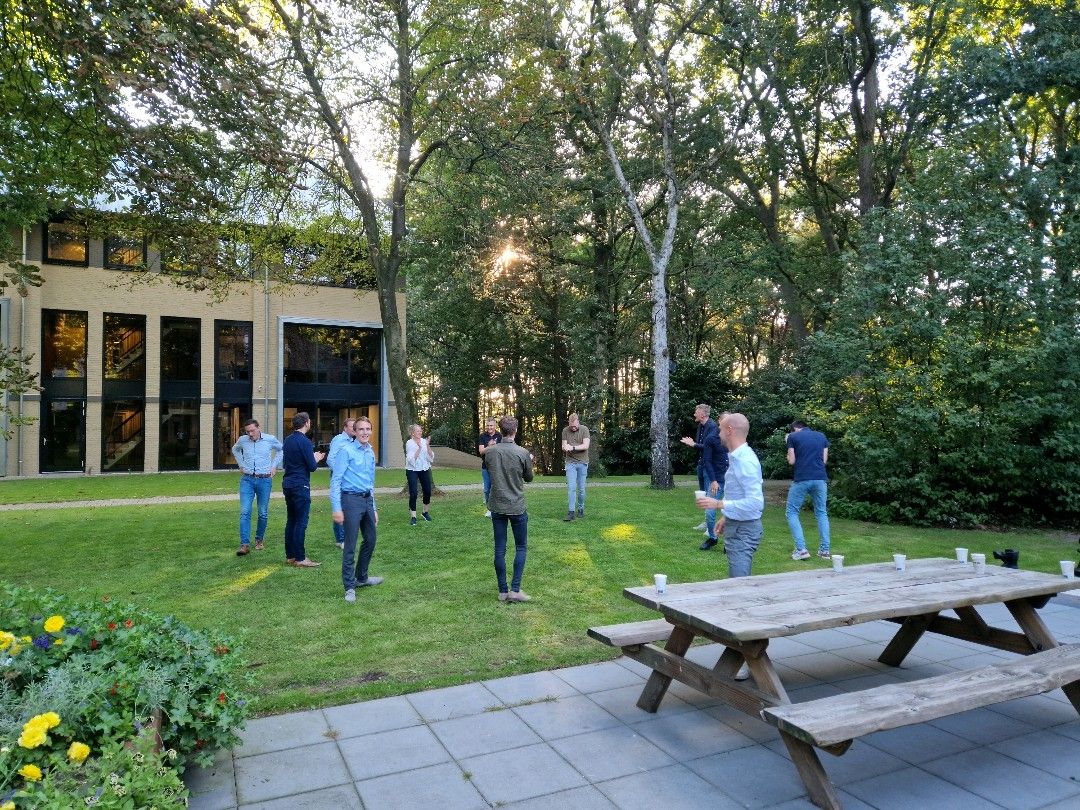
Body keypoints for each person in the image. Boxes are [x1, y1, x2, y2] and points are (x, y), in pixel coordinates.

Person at [695, 412, 764, 680]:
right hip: (738, 526)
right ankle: (745, 656)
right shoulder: (738, 458)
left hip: (745, 533)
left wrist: (719, 505)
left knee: (740, 596)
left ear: (731, 429)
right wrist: (727, 516)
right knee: (738, 591)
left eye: (721, 430)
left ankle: (750, 661)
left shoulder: (745, 460)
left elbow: (756, 504)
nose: (718, 434)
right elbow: (742, 496)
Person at [330, 416, 383, 602]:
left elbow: (371, 483)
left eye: (368, 429)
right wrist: (337, 508)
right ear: (354, 431)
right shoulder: (346, 451)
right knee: (350, 545)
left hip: (367, 501)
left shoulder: (370, 452)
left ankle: (362, 578)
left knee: (370, 539)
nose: (365, 432)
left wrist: (374, 507)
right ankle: (349, 587)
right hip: (350, 500)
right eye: (361, 429)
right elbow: (335, 481)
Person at [485, 416, 534, 602]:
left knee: (499, 549)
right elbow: (529, 478)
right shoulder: (522, 453)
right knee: (520, 547)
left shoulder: (490, 452)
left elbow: (491, 471)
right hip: (516, 506)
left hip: (497, 505)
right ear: (515, 431)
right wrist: (530, 462)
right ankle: (515, 590)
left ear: (501, 430)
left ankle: (503, 591)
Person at [231, 418, 283, 557]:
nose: (250, 434)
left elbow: (281, 450)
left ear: (259, 428)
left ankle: (259, 540)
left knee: (262, 512)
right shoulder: (243, 440)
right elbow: (235, 449)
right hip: (247, 480)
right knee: (245, 511)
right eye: (248, 431)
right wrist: (241, 464)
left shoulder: (270, 439)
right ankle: (244, 545)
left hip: (264, 480)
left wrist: (274, 466)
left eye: (252, 430)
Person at [281, 412, 326, 567]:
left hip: (287, 483)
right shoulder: (305, 442)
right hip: (300, 484)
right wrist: (316, 458)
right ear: (306, 423)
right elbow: (312, 467)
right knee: (301, 521)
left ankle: (290, 555)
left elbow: (288, 462)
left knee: (291, 520)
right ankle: (300, 558)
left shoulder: (287, 440)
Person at [786, 420, 831, 561]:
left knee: (792, 512)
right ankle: (824, 551)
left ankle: (801, 550)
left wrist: (787, 452)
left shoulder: (792, 437)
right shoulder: (821, 436)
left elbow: (791, 461)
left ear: (795, 429)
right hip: (820, 478)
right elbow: (823, 460)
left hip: (802, 478)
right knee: (821, 513)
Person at [680, 403, 718, 532]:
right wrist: (694, 444)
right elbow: (700, 445)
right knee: (703, 494)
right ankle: (706, 522)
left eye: (696, 412)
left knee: (710, 495)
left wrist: (693, 444)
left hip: (710, 466)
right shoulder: (700, 426)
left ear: (702, 414)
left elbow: (709, 447)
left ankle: (710, 527)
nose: (694, 414)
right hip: (701, 464)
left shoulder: (713, 427)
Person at [699, 417, 729, 550]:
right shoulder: (711, 439)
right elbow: (707, 461)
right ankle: (713, 537)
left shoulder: (734, 438)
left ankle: (729, 542)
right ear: (720, 422)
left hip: (732, 482)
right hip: (717, 480)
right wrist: (713, 481)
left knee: (732, 512)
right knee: (709, 512)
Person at [326, 418, 356, 549]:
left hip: (349, 477)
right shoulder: (339, 440)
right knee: (341, 506)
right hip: (340, 477)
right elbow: (330, 459)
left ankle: (340, 539)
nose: (354, 429)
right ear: (345, 428)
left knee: (345, 506)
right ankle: (342, 539)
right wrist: (341, 473)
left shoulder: (353, 441)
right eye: (351, 426)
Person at [561, 413, 591, 521]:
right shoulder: (565, 431)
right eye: (571, 425)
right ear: (569, 423)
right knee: (571, 488)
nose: (573, 427)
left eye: (574, 425)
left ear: (578, 422)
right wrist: (565, 448)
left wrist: (572, 448)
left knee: (581, 489)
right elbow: (563, 445)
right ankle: (571, 512)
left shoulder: (584, 429)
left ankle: (581, 508)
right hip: (570, 463)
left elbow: (586, 445)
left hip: (583, 462)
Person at [405, 424, 435, 525]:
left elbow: (430, 456)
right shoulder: (409, 443)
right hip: (412, 470)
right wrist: (418, 448)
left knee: (427, 491)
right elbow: (410, 459)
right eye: (418, 431)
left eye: (420, 430)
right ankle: (413, 517)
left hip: (424, 468)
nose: (420, 432)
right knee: (413, 493)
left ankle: (425, 512)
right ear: (413, 433)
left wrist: (427, 445)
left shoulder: (423, 441)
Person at [477, 418, 502, 518]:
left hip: (497, 467)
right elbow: (481, 451)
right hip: (486, 467)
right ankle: (489, 509)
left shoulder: (500, 436)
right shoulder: (483, 436)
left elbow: (503, 450)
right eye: (487, 425)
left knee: (497, 488)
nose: (489, 427)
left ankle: (497, 509)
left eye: (491, 425)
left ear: (495, 426)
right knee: (487, 490)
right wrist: (490, 445)